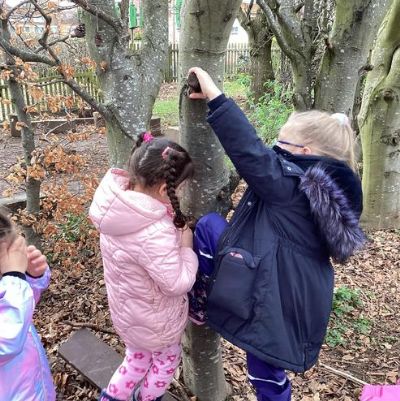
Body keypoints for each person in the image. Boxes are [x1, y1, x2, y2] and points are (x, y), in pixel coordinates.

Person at [187, 67, 365, 401]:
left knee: (209, 226)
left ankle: (202, 299)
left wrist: (217, 99)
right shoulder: (327, 193)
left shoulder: (291, 187)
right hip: (298, 289)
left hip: (275, 292)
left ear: (304, 151)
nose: (274, 148)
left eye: (281, 143)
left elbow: (250, 152)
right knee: (265, 370)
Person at [89, 133, 198, 401]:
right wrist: (186, 246)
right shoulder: (155, 231)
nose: (182, 192)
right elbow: (175, 283)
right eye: (181, 187)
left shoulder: (116, 209)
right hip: (157, 323)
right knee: (166, 362)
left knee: (135, 360)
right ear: (163, 190)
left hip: (128, 316)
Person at [0, 210, 55, 401]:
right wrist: (15, 277)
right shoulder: (12, 281)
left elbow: (17, 312)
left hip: (34, 388)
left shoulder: (9, 284)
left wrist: (31, 276)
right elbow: (6, 343)